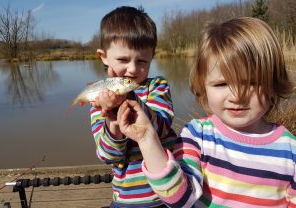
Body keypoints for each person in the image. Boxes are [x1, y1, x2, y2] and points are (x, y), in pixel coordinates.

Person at [117, 17, 296, 207]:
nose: (236, 96)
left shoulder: (290, 150)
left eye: (251, 83)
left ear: (274, 84)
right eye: (221, 84)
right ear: (204, 87)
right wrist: (147, 138)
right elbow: (179, 199)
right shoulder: (198, 135)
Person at [90, 6, 176, 208]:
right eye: (123, 59)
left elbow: (162, 128)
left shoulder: (157, 86)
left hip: (167, 194)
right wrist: (112, 124)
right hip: (126, 199)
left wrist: (130, 98)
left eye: (142, 61)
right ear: (103, 56)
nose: (132, 69)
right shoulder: (100, 98)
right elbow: (108, 156)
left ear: (152, 56)